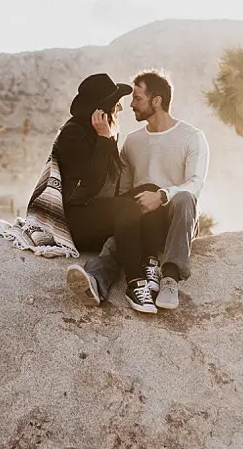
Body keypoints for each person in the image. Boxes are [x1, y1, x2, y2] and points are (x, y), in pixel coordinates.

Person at [66, 70, 210, 313]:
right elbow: (124, 189)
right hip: (142, 218)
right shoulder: (133, 142)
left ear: (157, 101)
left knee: (184, 197)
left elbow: (195, 184)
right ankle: (96, 281)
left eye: (138, 98)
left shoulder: (192, 137)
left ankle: (170, 279)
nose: (131, 104)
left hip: (177, 220)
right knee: (123, 227)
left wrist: (162, 196)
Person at [49, 74, 165, 313]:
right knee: (127, 209)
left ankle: (149, 264)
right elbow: (89, 185)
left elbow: (113, 185)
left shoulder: (101, 130)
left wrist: (106, 137)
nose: (119, 108)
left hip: (98, 213)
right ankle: (135, 283)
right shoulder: (74, 134)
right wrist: (104, 139)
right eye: (115, 105)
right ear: (100, 110)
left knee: (150, 192)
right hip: (78, 221)